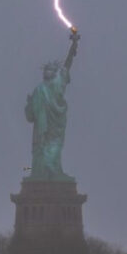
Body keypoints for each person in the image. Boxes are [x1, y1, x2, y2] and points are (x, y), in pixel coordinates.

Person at [24, 30, 79, 180]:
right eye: (46, 69)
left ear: (55, 73)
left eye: (51, 69)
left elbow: (67, 65)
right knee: (41, 150)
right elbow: (30, 116)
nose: (48, 71)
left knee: (54, 149)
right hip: (42, 129)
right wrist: (30, 105)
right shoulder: (39, 90)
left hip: (55, 128)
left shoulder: (57, 84)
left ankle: (53, 172)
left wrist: (73, 46)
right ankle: (42, 174)